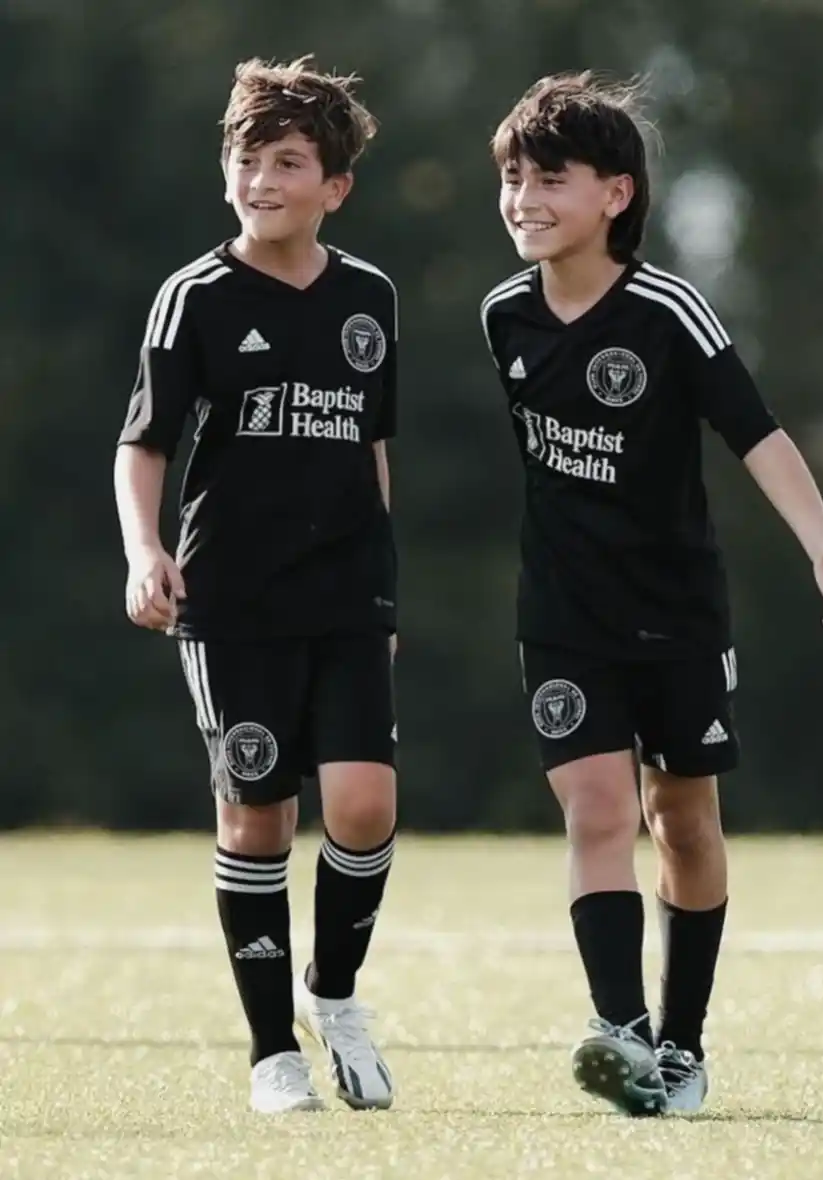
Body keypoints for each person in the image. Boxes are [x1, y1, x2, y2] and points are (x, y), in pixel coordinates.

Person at [480, 71, 823, 1117]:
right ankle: (618, 1029)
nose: (523, 199)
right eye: (512, 179)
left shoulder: (667, 308)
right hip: (559, 615)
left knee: (684, 822)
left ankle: (682, 1043)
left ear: (616, 194)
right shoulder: (502, 317)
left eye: (548, 180)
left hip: (675, 612)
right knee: (598, 808)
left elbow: (754, 430)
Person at [114, 55, 399, 1115]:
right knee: (259, 823)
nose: (262, 178)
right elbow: (141, 442)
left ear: (336, 186)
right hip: (231, 602)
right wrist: (146, 550)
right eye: (247, 157)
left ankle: (336, 994)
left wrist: (386, 585)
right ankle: (272, 1050)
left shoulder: (370, 295)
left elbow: (373, 445)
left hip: (349, 594)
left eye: (289, 161)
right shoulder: (192, 296)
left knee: (365, 807)